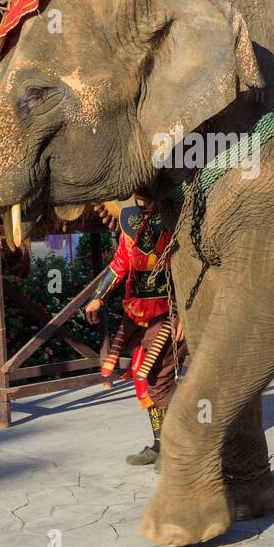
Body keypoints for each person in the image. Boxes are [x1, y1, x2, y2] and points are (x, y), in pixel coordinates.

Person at [84, 199, 186, 466]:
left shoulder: (176, 212)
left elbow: (188, 267)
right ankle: (160, 444)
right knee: (143, 378)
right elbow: (120, 265)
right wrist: (97, 297)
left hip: (169, 312)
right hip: (138, 312)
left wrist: (184, 314)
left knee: (159, 378)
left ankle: (185, 444)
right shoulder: (130, 219)